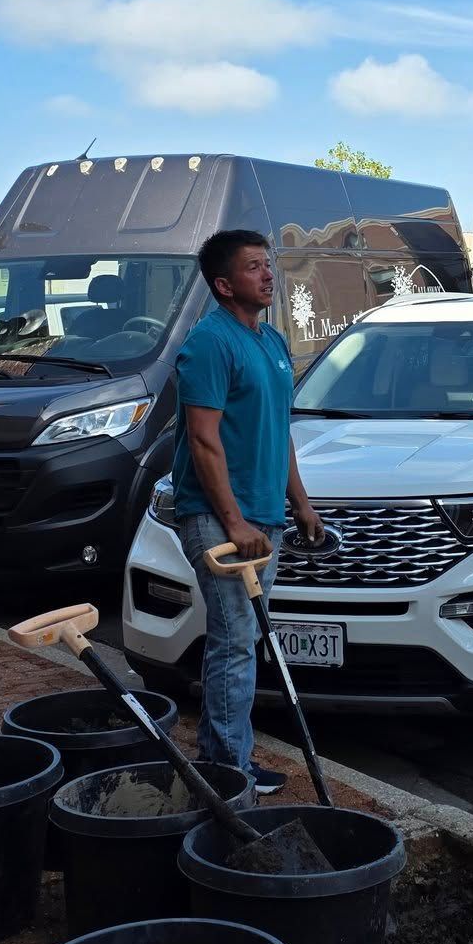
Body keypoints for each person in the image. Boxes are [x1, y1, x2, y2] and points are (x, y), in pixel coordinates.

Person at [172, 228, 324, 787]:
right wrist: (232, 521)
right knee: (235, 638)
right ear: (223, 283)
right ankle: (227, 770)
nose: (268, 275)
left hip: (266, 517)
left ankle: (222, 756)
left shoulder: (273, 343)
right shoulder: (209, 343)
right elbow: (202, 439)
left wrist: (301, 506)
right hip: (217, 516)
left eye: (269, 265)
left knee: (244, 638)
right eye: (255, 267)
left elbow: (278, 432)